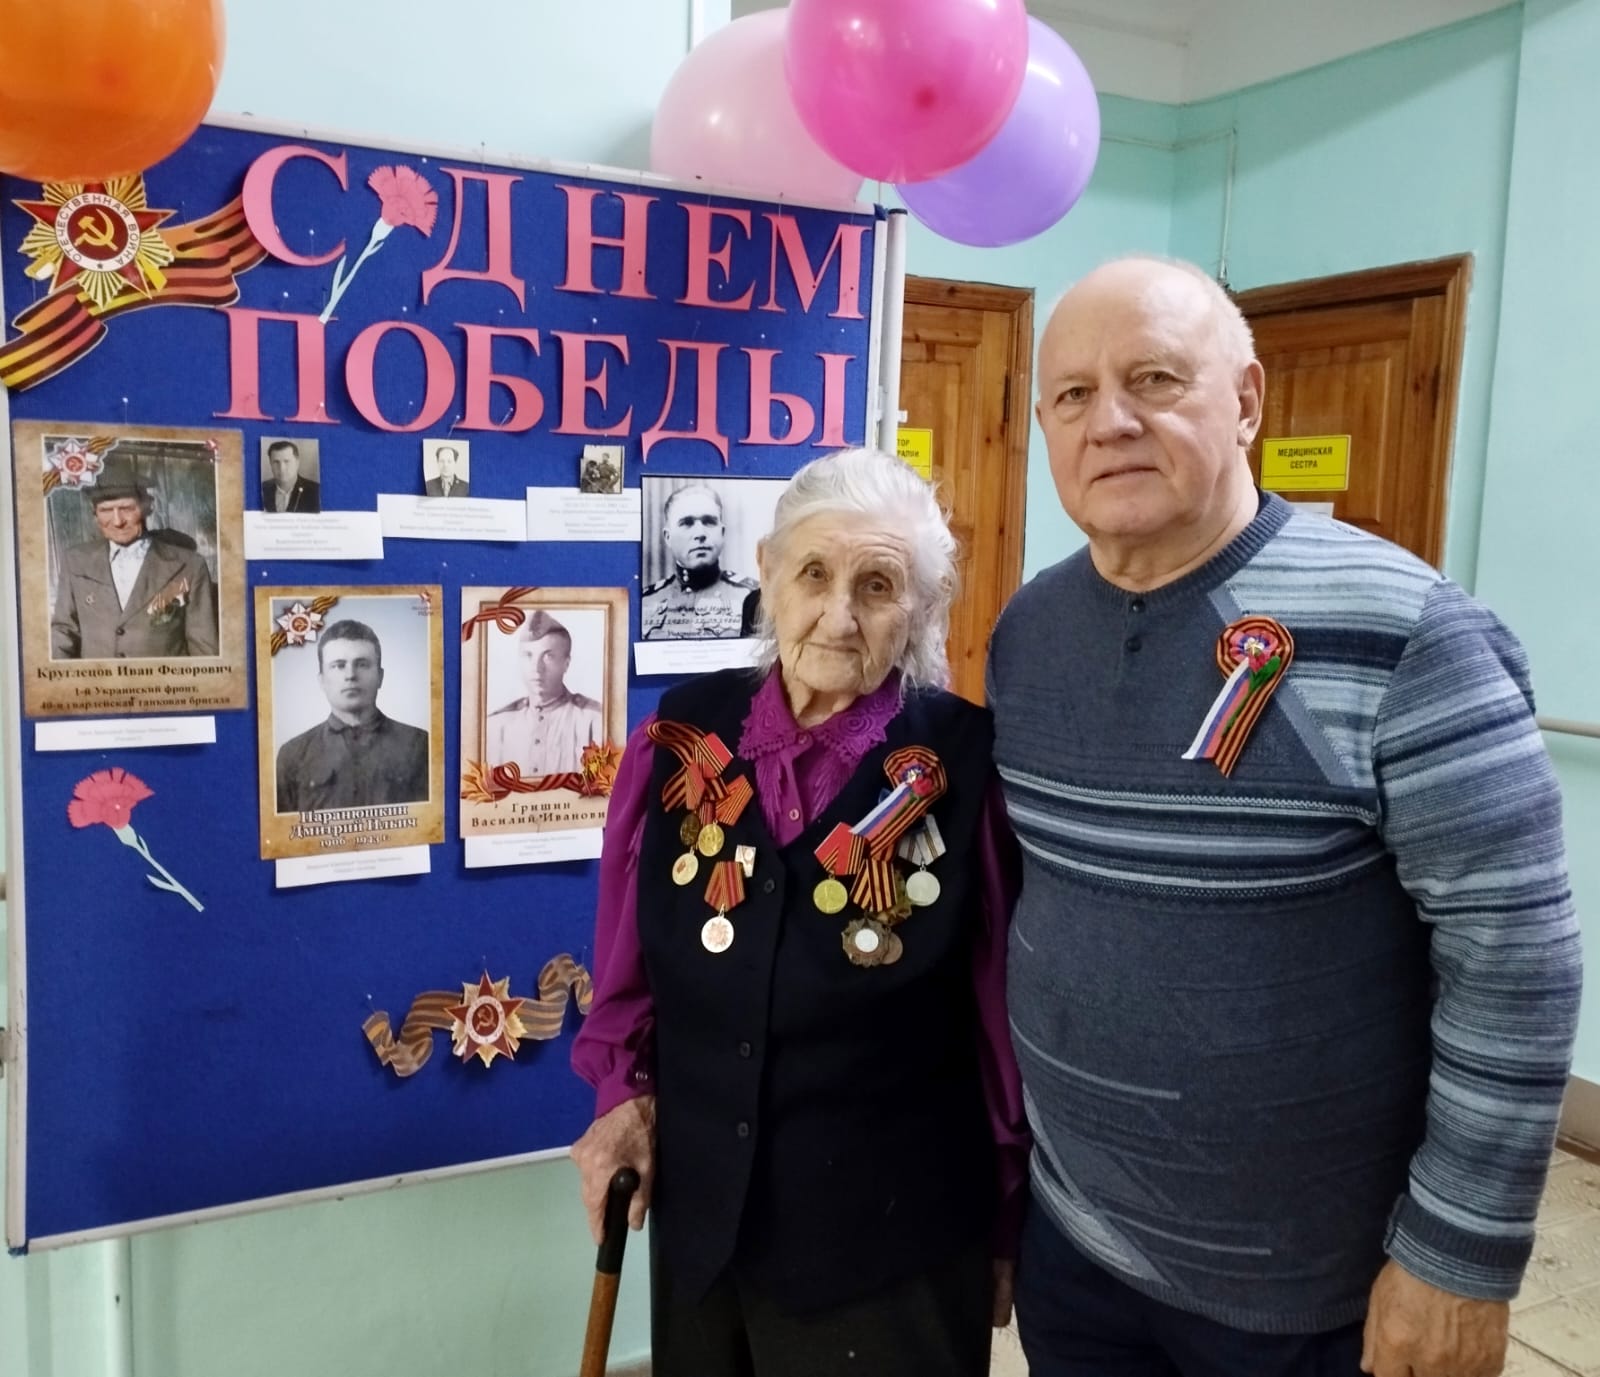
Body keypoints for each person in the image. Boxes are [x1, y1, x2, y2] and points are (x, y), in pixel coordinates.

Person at [987, 255, 1583, 1377]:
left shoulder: (1409, 632)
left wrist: (1458, 1256)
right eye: (1072, 394)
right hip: (1079, 1248)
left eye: (1154, 379)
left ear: (1248, 401)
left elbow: (1518, 961)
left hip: (1312, 1295)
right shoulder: (1028, 632)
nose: (1109, 421)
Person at [572, 448, 1028, 1377]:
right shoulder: (678, 740)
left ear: (921, 607)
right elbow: (627, 974)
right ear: (769, 575)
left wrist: (1011, 1213)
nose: (839, 614)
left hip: (891, 1254)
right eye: (814, 574)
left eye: (878, 585)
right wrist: (621, 1096)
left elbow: (1002, 1028)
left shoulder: (965, 766)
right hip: (705, 1237)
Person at [50, 455, 219, 660]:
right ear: (94, 515)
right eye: (105, 510)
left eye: (126, 508)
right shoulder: (76, 561)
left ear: (147, 506)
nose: (117, 521)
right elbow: (63, 632)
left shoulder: (189, 565)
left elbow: (204, 648)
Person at [275, 618, 430, 812]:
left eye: (362, 664)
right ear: (322, 680)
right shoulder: (292, 755)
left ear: (380, 677)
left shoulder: (419, 745)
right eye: (338, 665)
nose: (350, 675)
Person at [485, 610, 603, 777]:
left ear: (566, 663)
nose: (537, 668)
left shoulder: (594, 720)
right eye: (528, 655)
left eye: (548, 656)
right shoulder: (497, 725)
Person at [639, 483, 759, 639]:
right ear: (668, 537)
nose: (700, 533)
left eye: (709, 522)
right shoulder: (645, 601)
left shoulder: (753, 596)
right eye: (687, 523)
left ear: (722, 533)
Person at [260, 439, 321, 513]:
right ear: (270, 464)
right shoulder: (262, 489)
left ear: (297, 463)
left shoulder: (315, 491)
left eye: (287, 461)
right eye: (276, 462)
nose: (282, 468)